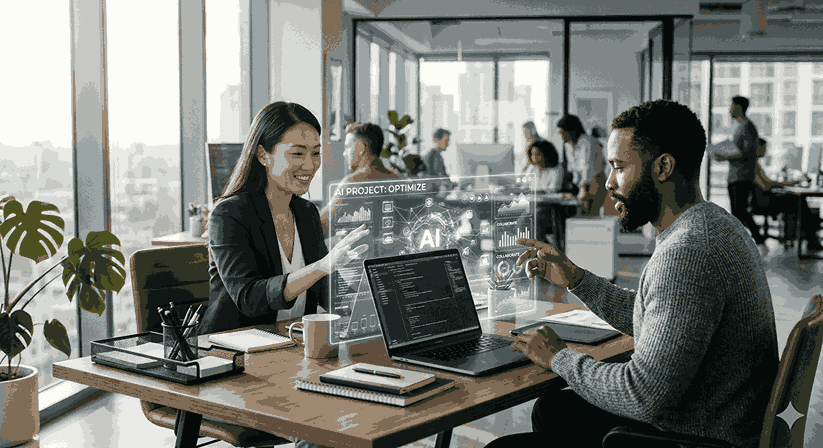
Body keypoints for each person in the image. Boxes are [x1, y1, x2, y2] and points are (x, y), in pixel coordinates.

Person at [486, 100, 778, 448]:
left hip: (695, 437)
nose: (609, 182)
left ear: (663, 167)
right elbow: (658, 316)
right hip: (715, 418)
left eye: (619, 167)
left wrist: (558, 357)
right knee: (554, 409)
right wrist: (577, 278)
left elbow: (644, 394)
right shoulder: (712, 225)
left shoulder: (688, 253)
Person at [202, 102, 370, 334]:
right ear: (263, 155)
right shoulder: (228, 214)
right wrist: (323, 266)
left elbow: (325, 290)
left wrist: (370, 290)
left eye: (316, 153)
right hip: (233, 351)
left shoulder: (306, 212)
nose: (310, 165)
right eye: (297, 153)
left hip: (293, 344)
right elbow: (249, 298)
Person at [320, 123, 399, 233]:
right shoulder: (396, 179)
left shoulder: (352, 183)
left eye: (347, 147)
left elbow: (322, 226)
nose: (344, 153)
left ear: (361, 148)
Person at [714, 95, 766, 252]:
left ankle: (757, 241)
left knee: (740, 212)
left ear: (739, 107)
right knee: (737, 212)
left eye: (732, 106)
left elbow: (747, 153)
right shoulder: (738, 127)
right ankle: (743, 243)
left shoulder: (748, 127)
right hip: (734, 175)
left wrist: (724, 156)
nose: (729, 109)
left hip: (742, 176)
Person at [753, 138, 823, 251]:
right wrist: (789, 183)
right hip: (764, 201)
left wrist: (788, 184)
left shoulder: (756, 164)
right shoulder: (753, 166)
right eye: (763, 148)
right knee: (797, 201)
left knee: (795, 199)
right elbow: (766, 186)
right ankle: (811, 237)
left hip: (766, 198)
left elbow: (767, 183)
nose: (765, 152)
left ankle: (809, 235)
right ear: (756, 148)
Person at [557, 114, 607, 216]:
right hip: (582, 184)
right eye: (560, 133)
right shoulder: (568, 145)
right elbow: (573, 168)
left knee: (592, 216)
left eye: (563, 133)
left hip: (595, 181)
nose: (561, 137)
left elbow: (587, 167)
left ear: (572, 130)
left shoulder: (588, 142)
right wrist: (575, 186)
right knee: (581, 215)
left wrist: (583, 188)